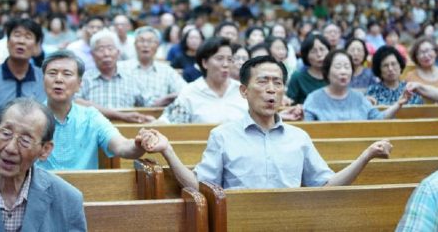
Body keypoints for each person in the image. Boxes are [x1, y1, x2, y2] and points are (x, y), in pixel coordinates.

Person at [138, 56, 392, 190]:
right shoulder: (222, 136)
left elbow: (326, 185)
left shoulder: (299, 138)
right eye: (263, 82)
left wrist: (366, 156)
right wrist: (168, 151)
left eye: (278, 83)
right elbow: (201, 187)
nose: (271, 90)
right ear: (244, 91)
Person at [0, 98, 86, 231]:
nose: (10, 148)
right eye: (6, 133)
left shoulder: (67, 200)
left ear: (45, 150)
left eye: (25, 140)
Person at [37, 50, 148, 170]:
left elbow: (121, 145)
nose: (58, 79)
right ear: (43, 80)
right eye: (52, 73)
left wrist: (138, 145)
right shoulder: (31, 117)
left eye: (67, 74)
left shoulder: (91, 116)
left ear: (79, 84)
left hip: (84, 187)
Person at [158, 37, 248, 123]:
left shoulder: (242, 91)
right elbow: (168, 123)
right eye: (219, 58)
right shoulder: (190, 92)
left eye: (230, 59)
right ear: (204, 63)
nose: (226, 64)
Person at [303, 50, 408, 121]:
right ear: (327, 71)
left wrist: (399, 104)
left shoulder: (359, 98)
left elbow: (378, 118)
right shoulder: (314, 98)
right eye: (338, 66)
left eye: (347, 67)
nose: (343, 71)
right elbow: (308, 129)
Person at [75, 30, 154, 123]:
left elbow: (150, 105)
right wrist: (121, 116)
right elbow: (75, 103)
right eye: (101, 49)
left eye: (110, 48)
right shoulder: (83, 79)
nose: (106, 54)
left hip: (127, 134)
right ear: (92, 54)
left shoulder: (132, 78)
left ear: (118, 52)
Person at [0, 18, 46, 126]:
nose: (21, 41)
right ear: (7, 42)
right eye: (17, 35)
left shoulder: (44, 80)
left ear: (36, 46)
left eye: (28, 36)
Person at [119, 26, 187, 107]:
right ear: (134, 44)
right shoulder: (121, 68)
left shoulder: (166, 71)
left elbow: (185, 91)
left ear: (157, 45)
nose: (145, 45)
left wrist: (166, 99)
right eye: (141, 41)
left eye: (150, 41)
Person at [287, 34, 330, 104]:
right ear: (306, 56)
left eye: (322, 49)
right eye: (313, 51)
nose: (319, 54)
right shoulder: (297, 77)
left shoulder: (335, 76)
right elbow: (289, 104)